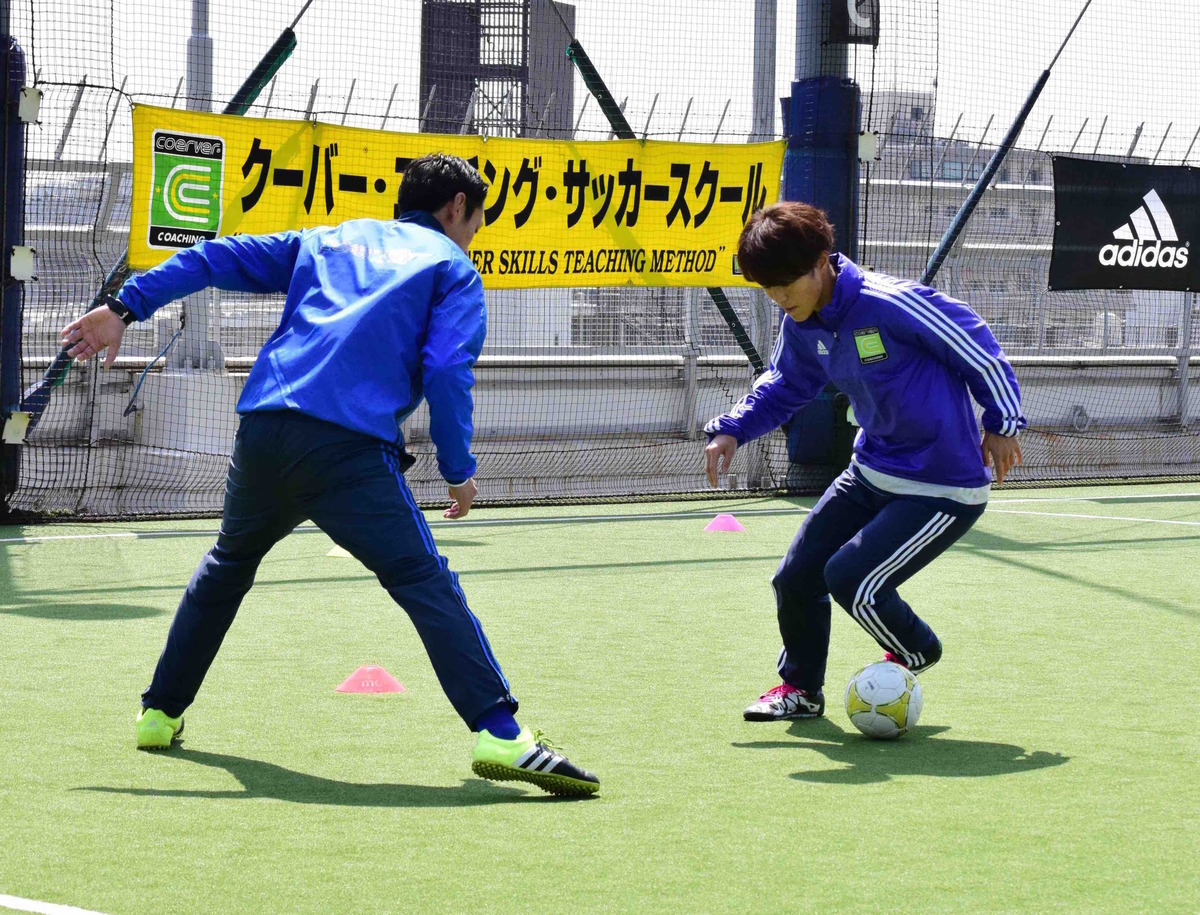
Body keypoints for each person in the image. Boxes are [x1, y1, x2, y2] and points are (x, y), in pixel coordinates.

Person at [61, 153, 599, 796]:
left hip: (264, 431)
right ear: (457, 205)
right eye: (478, 220)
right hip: (346, 451)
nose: (475, 232)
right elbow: (449, 372)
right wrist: (457, 470)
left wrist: (124, 307)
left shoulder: (329, 239)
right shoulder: (453, 268)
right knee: (422, 579)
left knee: (228, 564)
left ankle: (159, 713)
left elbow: (211, 258)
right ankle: (502, 736)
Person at [705, 202, 1024, 722]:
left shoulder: (890, 303)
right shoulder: (803, 322)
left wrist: (1002, 423)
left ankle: (916, 652)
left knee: (852, 578)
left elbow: (977, 347)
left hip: (942, 487)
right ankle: (801, 690)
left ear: (821, 263)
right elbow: (787, 384)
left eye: (787, 285)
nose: (779, 299)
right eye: (768, 290)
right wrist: (732, 429)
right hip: (871, 471)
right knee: (796, 577)